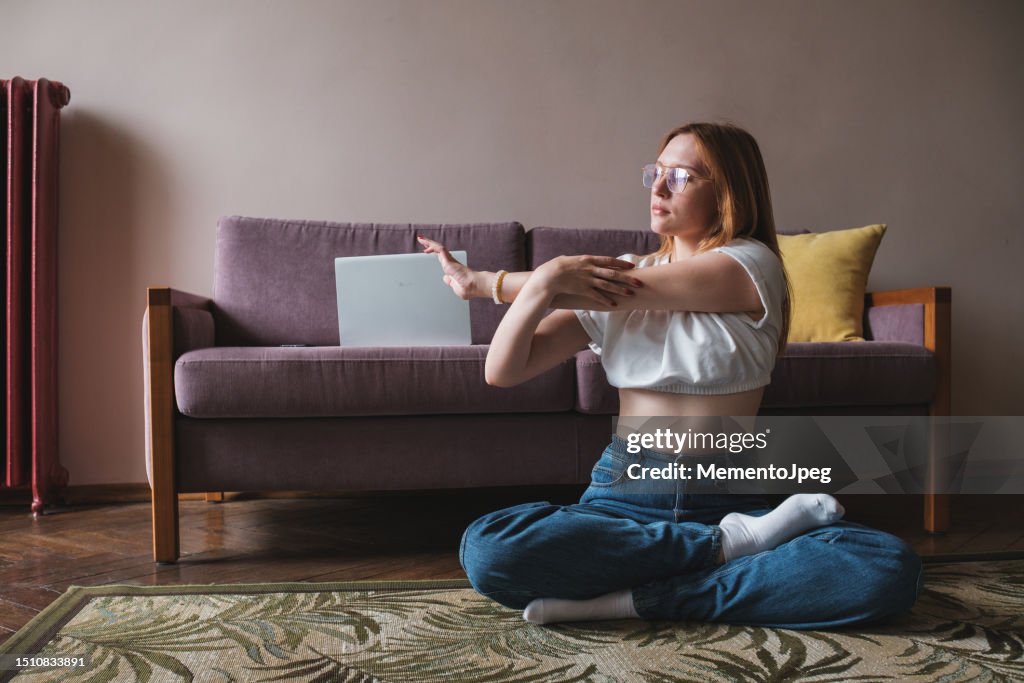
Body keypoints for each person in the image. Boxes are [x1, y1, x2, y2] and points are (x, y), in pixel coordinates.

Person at [418, 122, 922, 628]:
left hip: (726, 491)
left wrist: (489, 283)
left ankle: (634, 601)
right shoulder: (617, 274)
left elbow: (628, 289)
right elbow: (503, 370)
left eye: (680, 177)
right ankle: (726, 548)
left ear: (727, 194)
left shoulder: (750, 264)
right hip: (623, 496)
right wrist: (542, 283)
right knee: (489, 548)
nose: (658, 188)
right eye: (655, 174)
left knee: (883, 569)